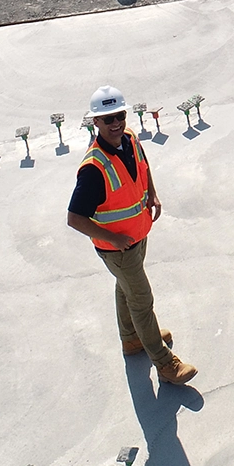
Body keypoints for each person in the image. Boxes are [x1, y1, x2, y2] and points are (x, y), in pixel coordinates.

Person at [66, 86, 197, 386]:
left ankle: (132, 339)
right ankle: (165, 364)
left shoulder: (131, 140)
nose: (116, 124)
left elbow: (143, 165)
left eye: (120, 116)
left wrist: (153, 193)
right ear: (95, 123)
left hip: (137, 236)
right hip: (118, 248)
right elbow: (75, 218)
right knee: (141, 299)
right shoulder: (93, 168)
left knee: (126, 289)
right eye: (108, 119)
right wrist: (113, 240)